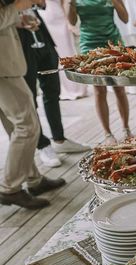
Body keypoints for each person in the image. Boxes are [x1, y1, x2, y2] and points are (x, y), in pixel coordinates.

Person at [0, 0, 66, 209]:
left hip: (7, 63)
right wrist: (21, 5)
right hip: (3, 67)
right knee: (27, 126)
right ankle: (10, 188)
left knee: (15, 126)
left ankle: (34, 180)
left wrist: (18, 20)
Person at [18, 6, 89, 168]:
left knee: (52, 92)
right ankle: (42, 145)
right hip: (21, 44)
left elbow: (41, 4)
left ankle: (59, 139)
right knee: (31, 97)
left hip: (42, 37)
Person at [67, 0, 131, 144]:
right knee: (99, 90)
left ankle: (126, 128)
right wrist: (71, 4)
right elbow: (72, 21)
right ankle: (108, 133)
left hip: (113, 41)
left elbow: (125, 19)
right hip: (88, 43)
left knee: (120, 88)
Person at [39, 0, 88, 100]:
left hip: (60, 19)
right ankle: (61, 89)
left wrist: (69, 23)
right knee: (54, 55)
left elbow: (65, 2)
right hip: (46, 18)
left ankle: (75, 87)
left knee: (67, 52)